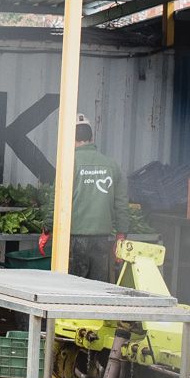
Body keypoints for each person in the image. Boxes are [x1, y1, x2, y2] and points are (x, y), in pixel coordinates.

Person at [67, 118, 125, 282]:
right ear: (92, 138)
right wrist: (121, 235)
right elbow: (121, 204)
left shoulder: (69, 163)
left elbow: (55, 200)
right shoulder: (111, 165)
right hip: (103, 237)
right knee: (98, 285)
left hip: (76, 236)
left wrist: (47, 228)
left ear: (72, 138)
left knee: (73, 285)